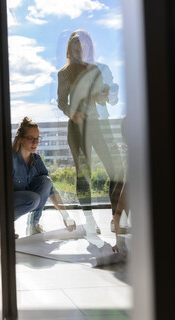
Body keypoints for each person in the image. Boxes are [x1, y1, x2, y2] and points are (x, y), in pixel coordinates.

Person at [57, 30, 124, 235]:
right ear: (70, 50)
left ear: (88, 49)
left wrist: (108, 93)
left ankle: (116, 220)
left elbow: (101, 99)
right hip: (77, 129)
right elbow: (61, 102)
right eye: (75, 49)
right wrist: (72, 113)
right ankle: (89, 220)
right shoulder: (64, 73)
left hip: (96, 126)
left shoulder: (94, 69)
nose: (79, 52)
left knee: (117, 170)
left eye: (83, 48)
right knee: (83, 175)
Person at [12, 117, 76, 237]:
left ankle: (33, 225)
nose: (35, 143)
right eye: (31, 139)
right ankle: (5, 223)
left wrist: (66, 216)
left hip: (28, 199)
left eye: (37, 139)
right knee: (34, 198)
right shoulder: (12, 160)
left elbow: (50, 189)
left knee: (46, 182)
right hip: (6, 201)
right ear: (21, 140)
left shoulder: (36, 160)